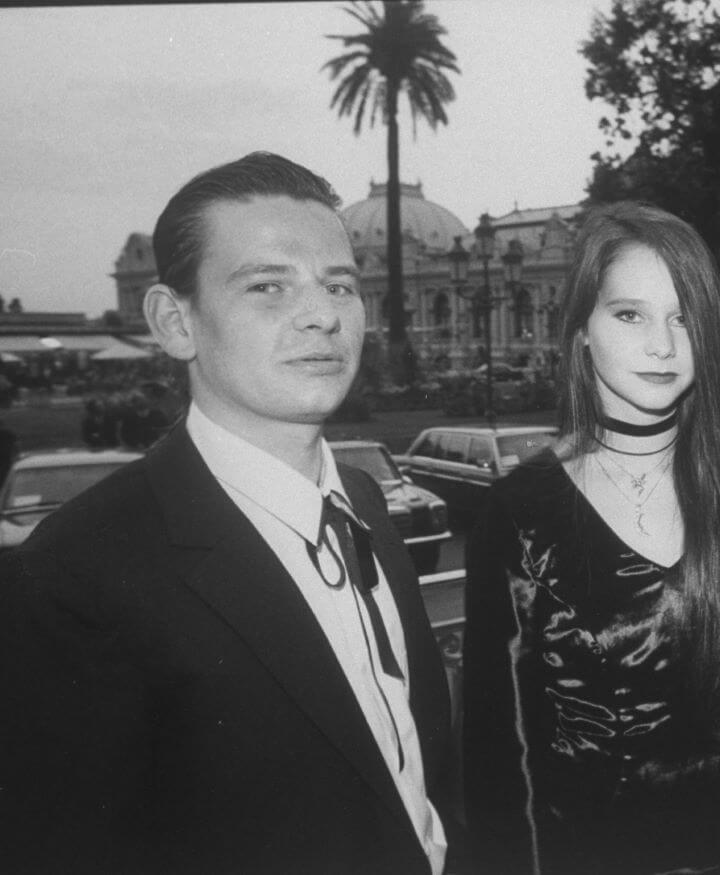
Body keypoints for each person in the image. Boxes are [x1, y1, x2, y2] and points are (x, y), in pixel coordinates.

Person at [0, 152, 458, 874]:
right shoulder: (73, 575)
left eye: (340, 284)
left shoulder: (363, 503)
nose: (322, 314)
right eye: (268, 285)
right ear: (174, 321)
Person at [464, 202, 720, 875]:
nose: (663, 343)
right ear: (583, 330)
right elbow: (495, 755)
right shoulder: (518, 509)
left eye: (684, 317)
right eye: (631, 314)